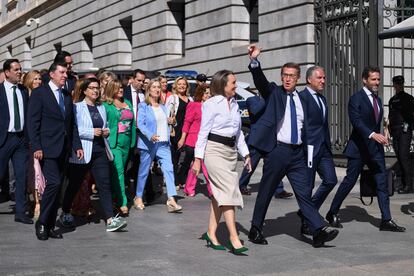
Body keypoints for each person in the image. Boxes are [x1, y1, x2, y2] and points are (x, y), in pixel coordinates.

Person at [246, 44, 338, 248]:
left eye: (291, 76)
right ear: (281, 77)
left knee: (304, 194)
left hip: (298, 154)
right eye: (284, 75)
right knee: (267, 191)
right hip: (278, 151)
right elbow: (260, 82)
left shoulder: (303, 99)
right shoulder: (274, 93)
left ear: (298, 79)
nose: (288, 79)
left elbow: (312, 126)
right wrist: (254, 62)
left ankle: (317, 230)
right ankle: (255, 228)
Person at [326, 66, 405, 232]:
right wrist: (372, 135)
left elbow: (375, 121)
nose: (377, 82)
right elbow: (357, 121)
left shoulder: (377, 99)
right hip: (359, 149)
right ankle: (332, 212)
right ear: (364, 80)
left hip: (375, 150)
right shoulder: (356, 99)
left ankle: (386, 220)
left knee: (382, 184)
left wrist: (383, 131)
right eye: (373, 79)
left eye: (378, 79)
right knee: (349, 182)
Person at [193, 70, 251, 255]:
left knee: (219, 195)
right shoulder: (211, 104)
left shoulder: (234, 104)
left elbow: (238, 132)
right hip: (214, 151)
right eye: (233, 83)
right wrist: (197, 159)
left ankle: (211, 233)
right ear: (222, 84)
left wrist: (246, 154)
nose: (236, 86)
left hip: (230, 152)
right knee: (228, 191)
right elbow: (203, 132)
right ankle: (234, 238)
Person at [59, 78, 127, 232]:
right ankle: (65, 212)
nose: (95, 91)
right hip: (82, 151)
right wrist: (92, 132)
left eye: (97, 88)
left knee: (104, 184)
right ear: (84, 90)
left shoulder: (101, 107)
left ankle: (110, 219)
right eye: (91, 88)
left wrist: (106, 131)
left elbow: (106, 126)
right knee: (75, 184)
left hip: (100, 151)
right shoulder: (77, 107)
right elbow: (73, 129)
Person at [28, 61, 83, 240]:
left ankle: (50, 224)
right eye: (62, 72)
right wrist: (36, 146)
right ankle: (42, 222)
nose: (65, 75)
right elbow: (33, 122)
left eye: (66, 73)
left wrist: (77, 145)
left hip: (64, 148)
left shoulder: (67, 95)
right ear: (52, 74)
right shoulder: (39, 93)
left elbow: (71, 124)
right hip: (46, 147)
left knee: (57, 187)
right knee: (54, 184)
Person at [296, 66, 337, 235]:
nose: (323, 81)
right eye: (319, 78)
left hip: (324, 148)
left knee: (331, 180)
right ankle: (310, 221)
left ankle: (307, 211)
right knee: (308, 187)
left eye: (324, 78)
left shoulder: (322, 98)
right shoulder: (301, 97)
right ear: (309, 79)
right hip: (309, 148)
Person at [133, 79, 182, 212]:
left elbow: (169, 123)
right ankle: (138, 197)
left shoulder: (163, 107)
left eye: (158, 87)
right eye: (154, 87)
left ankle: (171, 199)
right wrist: (150, 135)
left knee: (169, 170)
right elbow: (140, 124)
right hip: (149, 143)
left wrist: (173, 121)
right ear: (148, 90)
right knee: (144, 171)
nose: (157, 89)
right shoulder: (143, 106)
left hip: (163, 143)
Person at [0, 59, 32, 224]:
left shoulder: (23, 91)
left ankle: (20, 212)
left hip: (20, 139)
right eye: (16, 69)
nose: (20, 72)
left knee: (21, 176)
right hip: (3, 139)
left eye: (20, 69)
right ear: (7, 72)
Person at [103, 79, 136, 215]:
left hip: (127, 141)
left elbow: (133, 122)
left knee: (117, 173)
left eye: (121, 87)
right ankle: (123, 202)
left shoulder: (127, 103)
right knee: (119, 171)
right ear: (111, 89)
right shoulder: (106, 105)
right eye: (117, 88)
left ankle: (114, 197)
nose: (121, 90)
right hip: (114, 142)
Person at [179, 85, 212, 197]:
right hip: (193, 139)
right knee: (204, 165)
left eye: (210, 93)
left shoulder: (211, 107)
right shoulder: (194, 105)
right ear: (201, 94)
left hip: (206, 140)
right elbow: (187, 122)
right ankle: (212, 190)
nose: (208, 95)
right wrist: (183, 138)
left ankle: (188, 188)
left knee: (196, 165)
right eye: (206, 93)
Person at [23, 70, 44, 220]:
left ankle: (38, 202)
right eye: (35, 79)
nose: (38, 81)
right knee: (30, 172)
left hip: (39, 140)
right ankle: (34, 201)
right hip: (25, 141)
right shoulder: (24, 97)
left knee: (38, 171)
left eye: (39, 78)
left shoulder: (43, 96)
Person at [388, 75, 414, 194]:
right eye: (396, 84)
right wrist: (388, 130)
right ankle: (401, 183)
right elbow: (390, 117)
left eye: (400, 83)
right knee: (399, 156)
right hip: (395, 131)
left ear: (403, 84)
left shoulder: (409, 98)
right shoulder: (392, 100)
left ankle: (409, 185)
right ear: (394, 85)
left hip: (405, 130)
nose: (398, 85)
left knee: (404, 156)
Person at [166, 76, 192, 190]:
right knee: (175, 157)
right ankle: (176, 181)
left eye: (184, 84)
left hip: (188, 131)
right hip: (176, 131)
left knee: (190, 154)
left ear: (187, 86)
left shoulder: (191, 99)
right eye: (179, 84)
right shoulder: (173, 98)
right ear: (175, 86)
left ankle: (182, 176)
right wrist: (169, 119)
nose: (182, 86)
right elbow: (166, 113)